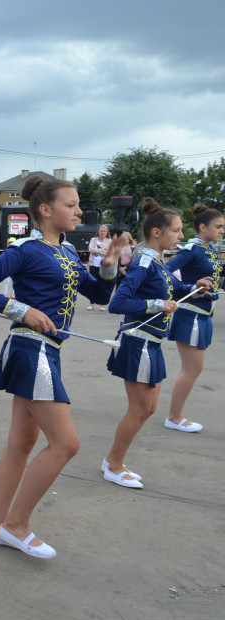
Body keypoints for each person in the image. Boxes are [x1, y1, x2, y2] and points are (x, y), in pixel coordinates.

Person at [0, 174, 125, 558]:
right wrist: (23, 310)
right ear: (45, 210)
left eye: (78, 204)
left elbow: (99, 294)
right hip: (30, 348)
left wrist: (109, 265)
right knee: (66, 443)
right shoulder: (26, 250)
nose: (79, 211)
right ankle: (16, 524)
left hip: (49, 351)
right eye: (71, 205)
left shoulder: (68, 253)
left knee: (22, 442)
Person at [102, 199, 215, 488]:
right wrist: (157, 304)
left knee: (150, 409)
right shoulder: (143, 261)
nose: (180, 236)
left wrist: (194, 287)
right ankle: (114, 465)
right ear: (156, 232)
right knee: (139, 410)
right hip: (137, 342)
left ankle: (113, 461)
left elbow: (174, 288)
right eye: (176, 231)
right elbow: (118, 303)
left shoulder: (158, 262)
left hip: (151, 345)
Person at [163, 205, 222, 432]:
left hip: (205, 314)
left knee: (193, 369)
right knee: (192, 369)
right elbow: (165, 270)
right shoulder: (193, 250)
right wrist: (189, 288)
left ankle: (175, 416)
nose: (221, 231)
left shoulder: (210, 250)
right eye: (218, 227)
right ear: (203, 227)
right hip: (192, 315)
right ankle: (174, 417)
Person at [86, 225, 112, 310]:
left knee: (103, 284)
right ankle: (91, 304)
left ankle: (102, 305)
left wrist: (97, 251)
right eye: (101, 231)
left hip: (104, 265)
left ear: (107, 232)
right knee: (93, 283)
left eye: (104, 231)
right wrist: (102, 251)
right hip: (93, 264)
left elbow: (109, 252)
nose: (102, 232)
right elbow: (90, 249)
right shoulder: (93, 240)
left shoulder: (109, 241)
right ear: (98, 232)